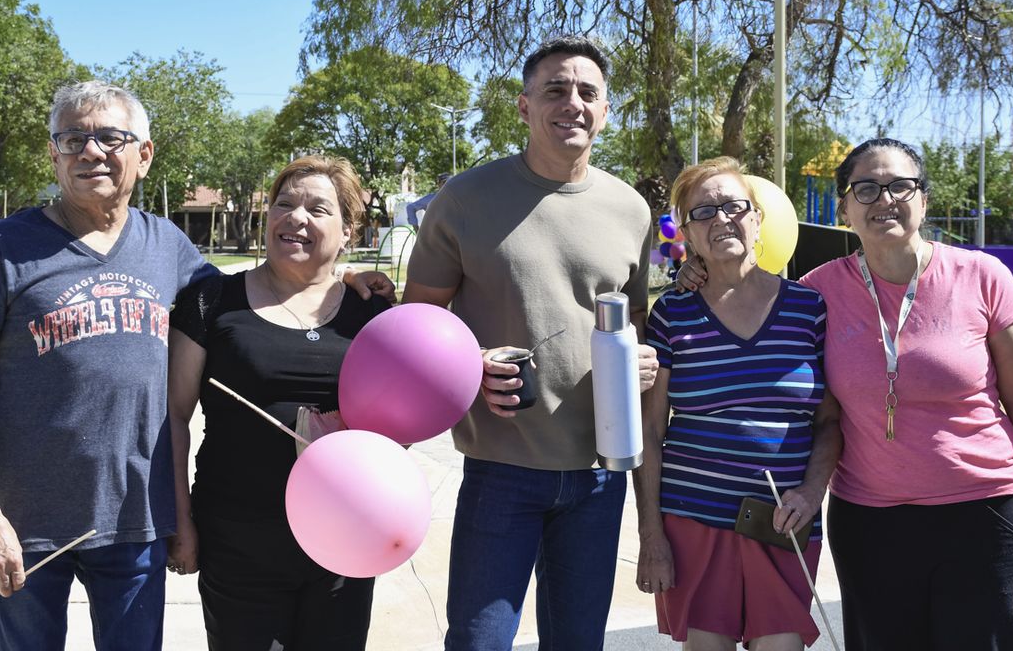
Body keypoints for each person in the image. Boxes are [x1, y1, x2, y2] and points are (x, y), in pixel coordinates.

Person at [0, 82, 392, 651]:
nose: (89, 152)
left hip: (136, 524)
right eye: (71, 138)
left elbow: (256, 295)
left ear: (143, 155)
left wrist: (342, 279)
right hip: (25, 526)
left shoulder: (166, 244)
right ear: (53, 153)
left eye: (109, 138)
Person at [679, 137, 1013, 650]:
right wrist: (695, 271)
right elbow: (748, 293)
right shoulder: (817, 292)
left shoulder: (983, 277)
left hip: (987, 512)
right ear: (844, 207)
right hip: (872, 522)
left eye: (899, 186)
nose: (883, 199)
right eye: (866, 189)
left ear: (925, 200)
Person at [403, 35, 658, 651]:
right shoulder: (465, 199)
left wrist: (641, 361)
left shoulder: (631, 209)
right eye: (555, 89)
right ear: (523, 107)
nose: (572, 102)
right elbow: (417, 324)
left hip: (600, 475)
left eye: (587, 93)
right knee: (478, 641)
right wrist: (471, 362)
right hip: (502, 469)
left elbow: (638, 325)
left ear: (605, 111)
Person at [165, 156, 390, 650]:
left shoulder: (372, 311)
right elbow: (175, 418)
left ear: (349, 229)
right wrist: (180, 522)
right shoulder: (212, 300)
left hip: (344, 541)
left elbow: (409, 407)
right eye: (284, 204)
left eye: (318, 208)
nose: (296, 217)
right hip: (238, 538)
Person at [635, 157, 836, 651]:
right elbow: (650, 433)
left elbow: (830, 421)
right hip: (693, 519)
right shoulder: (672, 314)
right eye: (702, 212)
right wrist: (651, 536)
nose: (720, 219)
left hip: (783, 522)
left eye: (732, 206)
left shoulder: (809, 308)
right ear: (686, 234)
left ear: (758, 217)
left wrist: (811, 492)